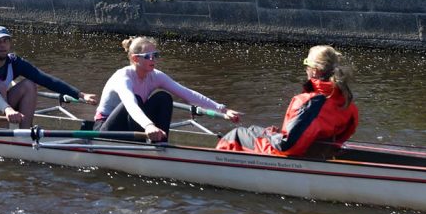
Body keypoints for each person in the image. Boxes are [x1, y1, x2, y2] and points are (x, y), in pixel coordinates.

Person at [216, 45, 358, 158]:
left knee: (237, 134)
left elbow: (286, 146)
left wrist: (271, 135)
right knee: (254, 130)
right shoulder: (348, 105)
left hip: (291, 156)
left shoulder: (305, 102)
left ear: (315, 71)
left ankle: (217, 167)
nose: (306, 70)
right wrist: (273, 134)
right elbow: (338, 139)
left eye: (307, 66)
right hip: (319, 154)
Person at [93, 36, 241, 142]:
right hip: (105, 129)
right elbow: (131, 105)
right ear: (135, 58)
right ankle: (147, 143)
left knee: (163, 97)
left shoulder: (155, 75)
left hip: (132, 124)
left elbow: (187, 93)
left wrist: (222, 110)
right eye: (148, 56)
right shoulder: (123, 77)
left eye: (155, 55)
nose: (153, 59)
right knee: (136, 99)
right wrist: (149, 125)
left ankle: (161, 143)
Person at [0, 25, 98, 128]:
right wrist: (8, 109)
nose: (3, 45)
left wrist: (80, 95)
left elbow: (45, 79)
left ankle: (24, 134)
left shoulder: (14, 62)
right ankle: (4, 137)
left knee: (29, 85)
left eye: (5, 41)